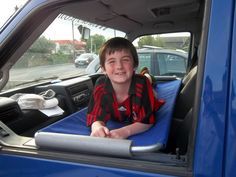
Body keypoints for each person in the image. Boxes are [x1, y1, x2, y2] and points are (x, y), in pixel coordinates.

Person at [86, 37, 164, 139]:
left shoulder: (142, 84)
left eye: (125, 60)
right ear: (103, 69)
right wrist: (97, 127)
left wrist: (124, 132)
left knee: (149, 81)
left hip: (145, 82)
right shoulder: (101, 85)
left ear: (135, 65)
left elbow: (147, 121)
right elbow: (95, 116)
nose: (119, 66)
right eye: (112, 61)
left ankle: (146, 74)